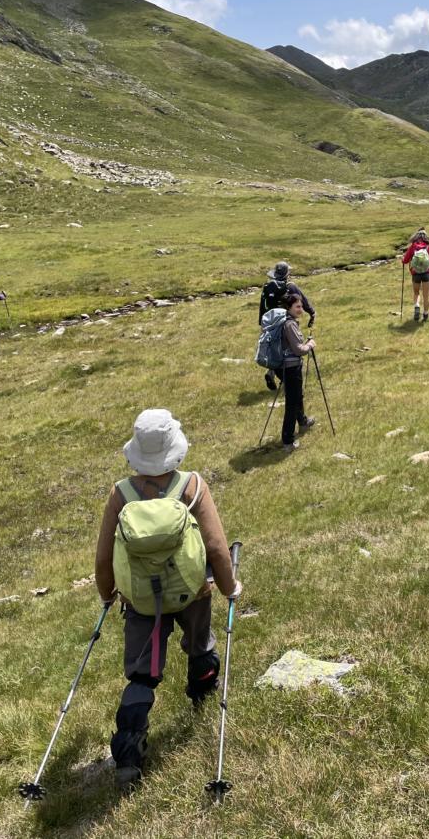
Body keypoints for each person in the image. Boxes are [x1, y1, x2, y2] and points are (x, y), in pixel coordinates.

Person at [95, 409, 242, 788]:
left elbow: (104, 558)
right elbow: (217, 548)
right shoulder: (192, 487)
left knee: (142, 673)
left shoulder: (121, 494)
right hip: (192, 592)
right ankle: (202, 692)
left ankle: (129, 750)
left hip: (141, 600)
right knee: (200, 644)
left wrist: (107, 593)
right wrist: (230, 587)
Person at [258, 261, 314, 390]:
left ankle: (271, 371)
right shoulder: (290, 286)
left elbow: (262, 307)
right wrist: (312, 312)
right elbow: (301, 301)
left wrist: (262, 324)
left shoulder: (268, 286)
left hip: (270, 323)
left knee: (275, 348)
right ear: (287, 273)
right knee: (288, 350)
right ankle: (287, 380)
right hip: (286, 322)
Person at [279, 292, 317, 451]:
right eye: (297, 306)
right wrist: (310, 345)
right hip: (291, 367)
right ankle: (288, 441)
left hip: (287, 366)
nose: (301, 309)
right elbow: (298, 349)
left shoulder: (286, 321)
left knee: (297, 396)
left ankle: (302, 421)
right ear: (289, 307)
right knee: (292, 403)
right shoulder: (290, 325)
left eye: (301, 306)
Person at [401, 229, 429, 322]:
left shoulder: (413, 247)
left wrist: (402, 259)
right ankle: (425, 314)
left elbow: (405, 261)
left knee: (416, 292)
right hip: (427, 273)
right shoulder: (428, 247)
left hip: (415, 273)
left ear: (416, 236)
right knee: (426, 295)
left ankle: (417, 306)